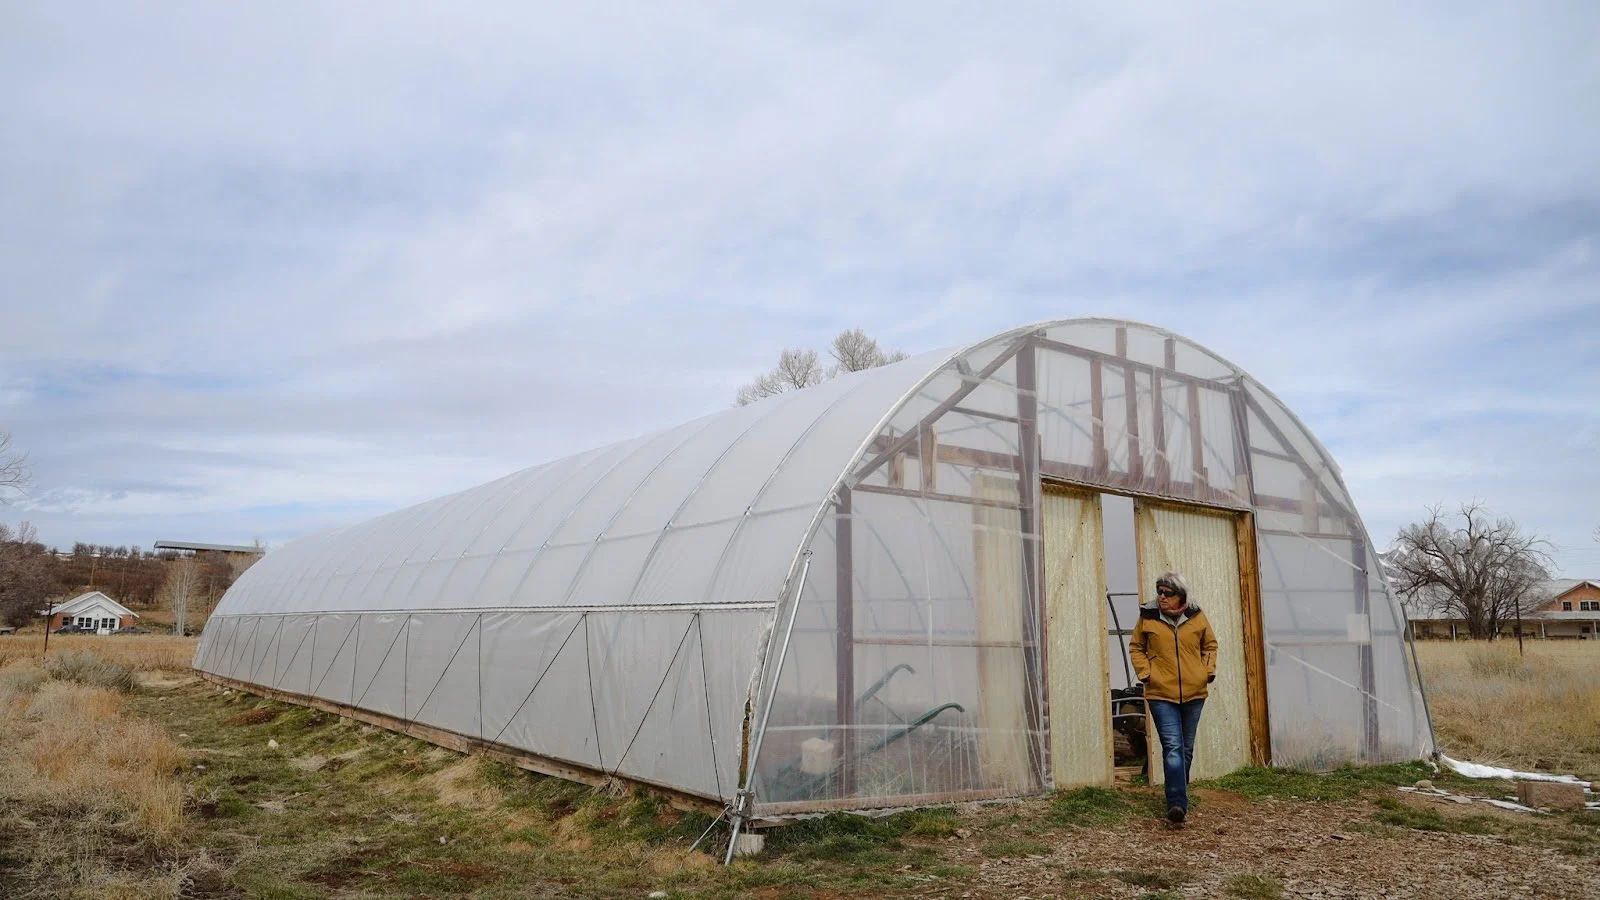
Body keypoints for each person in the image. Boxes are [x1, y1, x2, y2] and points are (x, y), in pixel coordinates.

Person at [1128, 571, 1217, 825]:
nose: (1162, 597)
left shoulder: (1196, 616)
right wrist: (1147, 674)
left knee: (1186, 748)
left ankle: (1179, 791)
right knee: (1173, 748)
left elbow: (1210, 645)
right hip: (1160, 693)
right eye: (1159, 591)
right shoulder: (1148, 616)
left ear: (1181, 596)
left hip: (1194, 692)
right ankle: (1176, 803)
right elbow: (1136, 647)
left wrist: (1207, 672)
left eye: (1168, 593)